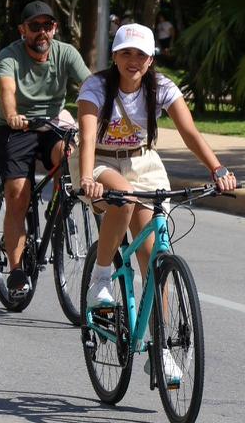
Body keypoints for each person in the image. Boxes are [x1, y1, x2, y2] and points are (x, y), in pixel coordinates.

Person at [77, 23, 236, 387]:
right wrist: (86, 178)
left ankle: (160, 350)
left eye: (141, 54)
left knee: (154, 260)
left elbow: (190, 132)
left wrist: (217, 169)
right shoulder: (96, 87)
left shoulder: (161, 87)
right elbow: (86, 137)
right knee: (124, 199)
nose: (133, 60)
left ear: (151, 59)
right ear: (115, 56)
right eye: (126, 53)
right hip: (100, 162)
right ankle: (101, 278)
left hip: (143, 162)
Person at [0, 0, 91, 299]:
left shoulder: (65, 53)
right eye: (34, 26)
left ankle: (60, 207)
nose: (42, 32)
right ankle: (16, 271)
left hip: (53, 124)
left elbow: (90, 85)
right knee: (17, 195)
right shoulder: (9, 56)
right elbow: (7, 90)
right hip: (18, 128)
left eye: (47, 26)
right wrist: (12, 115)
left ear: (55, 28)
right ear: (22, 30)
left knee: (70, 156)